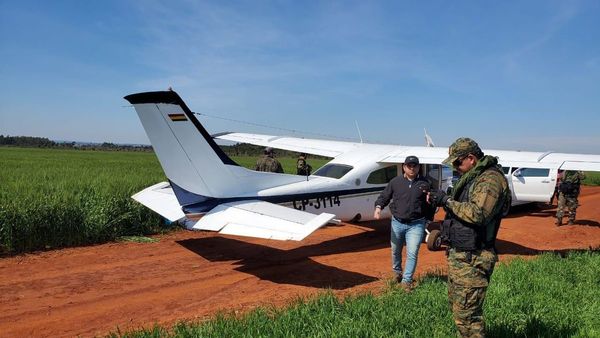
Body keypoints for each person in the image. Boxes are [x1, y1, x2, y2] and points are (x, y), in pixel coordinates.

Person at [429, 138, 511, 338]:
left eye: (458, 163)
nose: (456, 168)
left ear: (471, 158)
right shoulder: (473, 177)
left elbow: (478, 214)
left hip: (475, 257)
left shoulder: (490, 179)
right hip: (462, 255)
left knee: (468, 317)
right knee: (460, 311)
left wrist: (446, 201)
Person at [373, 155, 434, 291]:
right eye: (409, 166)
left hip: (416, 224)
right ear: (404, 167)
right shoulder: (395, 182)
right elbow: (384, 196)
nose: (412, 168)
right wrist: (378, 207)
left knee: (412, 252)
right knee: (395, 251)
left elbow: (432, 204)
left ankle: (406, 280)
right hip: (397, 222)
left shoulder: (425, 184)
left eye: (415, 166)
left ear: (419, 167)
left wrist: (428, 220)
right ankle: (397, 273)